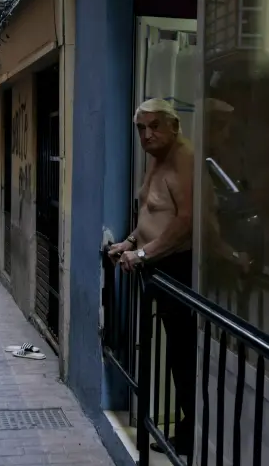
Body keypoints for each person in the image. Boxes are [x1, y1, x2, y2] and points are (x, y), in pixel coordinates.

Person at [108, 98, 195, 458]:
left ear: (174, 125)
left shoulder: (184, 159)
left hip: (177, 268)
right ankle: (180, 428)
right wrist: (129, 241)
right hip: (156, 267)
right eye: (141, 128)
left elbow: (185, 223)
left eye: (154, 125)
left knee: (182, 354)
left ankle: (190, 435)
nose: (146, 134)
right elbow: (150, 211)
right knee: (173, 352)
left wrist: (142, 254)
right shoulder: (157, 160)